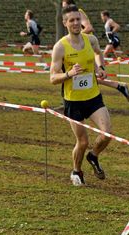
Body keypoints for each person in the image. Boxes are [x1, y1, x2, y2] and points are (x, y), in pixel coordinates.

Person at [50, 4, 112, 186]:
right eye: (72, 20)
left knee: (107, 133)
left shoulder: (91, 40)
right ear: (65, 23)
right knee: (82, 141)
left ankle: (93, 156)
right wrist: (68, 74)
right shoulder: (60, 47)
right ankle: (76, 171)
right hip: (73, 101)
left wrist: (100, 68)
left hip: (93, 97)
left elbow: (98, 55)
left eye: (78, 19)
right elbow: (53, 78)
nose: (76, 23)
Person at [61, 0, 129, 101]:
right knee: (87, 75)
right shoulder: (71, 16)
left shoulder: (79, 12)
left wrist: (74, 36)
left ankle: (119, 86)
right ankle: (119, 86)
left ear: (71, 5)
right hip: (79, 47)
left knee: (86, 74)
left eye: (65, 6)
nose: (63, 9)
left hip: (86, 46)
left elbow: (89, 28)